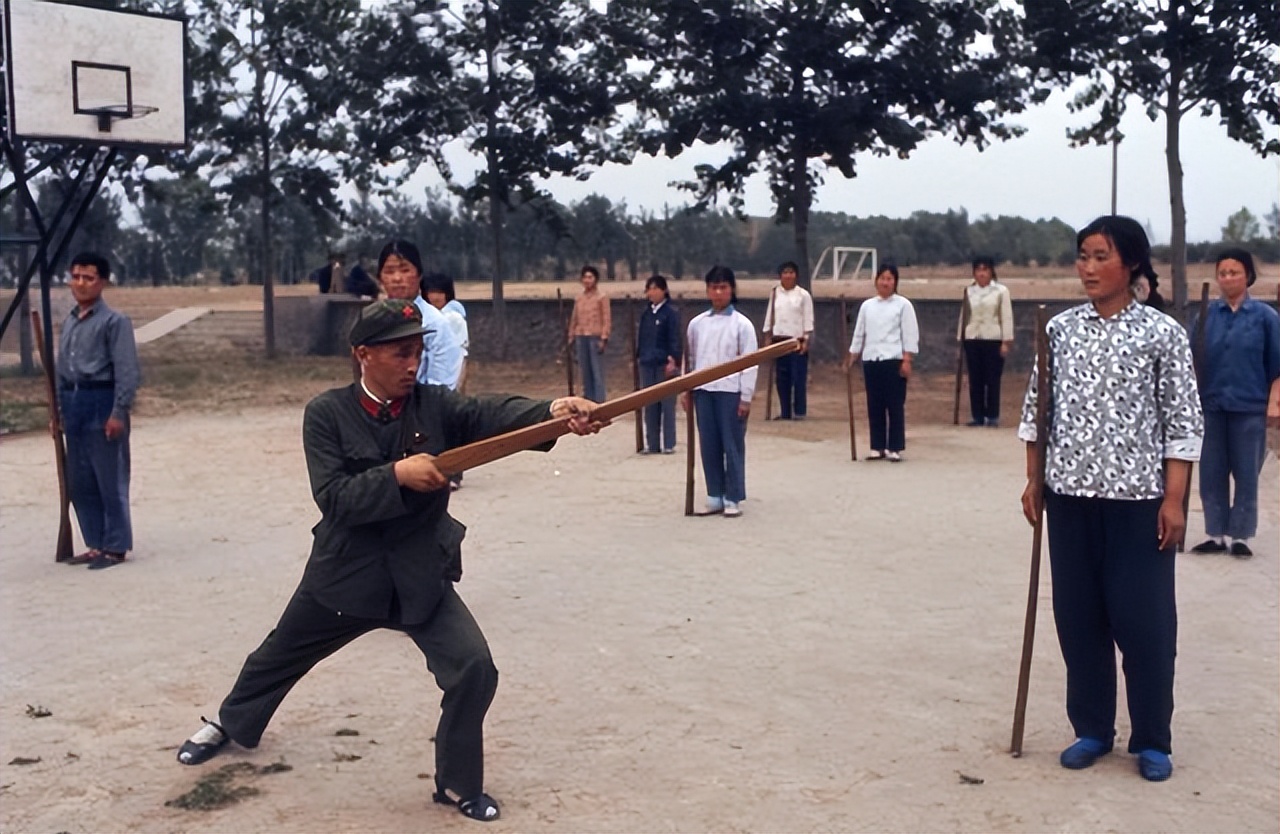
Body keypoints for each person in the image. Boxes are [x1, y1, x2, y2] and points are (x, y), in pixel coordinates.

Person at [175, 300, 603, 823]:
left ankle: (458, 785)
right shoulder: (326, 413)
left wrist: (552, 413)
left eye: (418, 352)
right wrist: (397, 475)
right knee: (277, 656)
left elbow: (489, 415)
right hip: (345, 575)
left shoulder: (434, 405)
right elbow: (334, 498)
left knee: (474, 667)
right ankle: (228, 724)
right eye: (401, 353)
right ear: (363, 355)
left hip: (419, 575)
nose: (412, 364)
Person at [1018, 215, 1202, 783]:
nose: (1088, 268)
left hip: (1138, 503)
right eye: (1082, 256)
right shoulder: (1060, 330)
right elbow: (1037, 411)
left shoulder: (1161, 333)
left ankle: (1152, 738)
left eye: (1100, 256)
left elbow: (1182, 423)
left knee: (1144, 625)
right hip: (1069, 498)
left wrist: (1175, 501)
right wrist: (1033, 478)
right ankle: (1092, 728)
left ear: (1131, 264)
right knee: (1078, 619)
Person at [1189, 248, 1280, 559]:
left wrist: (1273, 402)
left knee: (1245, 473)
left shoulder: (1266, 318)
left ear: (1248, 277)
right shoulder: (1205, 315)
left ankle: (1239, 534)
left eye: (1234, 272)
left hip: (1250, 407)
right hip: (1212, 406)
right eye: (1223, 273)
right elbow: (1192, 360)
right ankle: (1215, 533)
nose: (1228, 278)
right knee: (1211, 472)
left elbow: (1276, 364)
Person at [57, 252, 140, 570]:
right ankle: (95, 542)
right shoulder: (70, 321)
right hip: (74, 403)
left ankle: (116, 545)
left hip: (102, 401)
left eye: (88, 278)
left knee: (109, 477)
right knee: (80, 480)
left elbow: (127, 370)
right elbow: (63, 368)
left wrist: (119, 411)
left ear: (102, 282)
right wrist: (60, 411)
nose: (80, 283)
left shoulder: (114, 322)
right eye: (75, 276)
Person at [683, 266, 758, 517]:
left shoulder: (742, 325)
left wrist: (745, 397)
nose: (718, 292)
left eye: (723, 287)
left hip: (731, 391)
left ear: (731, 289)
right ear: (707, 290)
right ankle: (714, 493)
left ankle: (733, 495)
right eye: (713, 287)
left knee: (732, 444)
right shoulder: (696, 324)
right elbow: (690, 359)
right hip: (704, 391)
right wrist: (686, 389)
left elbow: (750, 363)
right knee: (709, 444)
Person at [844, 264, 918, 462]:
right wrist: (852, 356)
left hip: (893, 359)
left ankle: (894, 447)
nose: (885, 282)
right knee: (874, 404)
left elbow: (910, 334)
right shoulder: (867, 306)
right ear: (876, 281)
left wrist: (907, 359)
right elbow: (859, 333)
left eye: (889, 279)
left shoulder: (903, 305)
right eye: (882, 278)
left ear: (895, 282)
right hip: (872, 360)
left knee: (894, 404)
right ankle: (877, 446)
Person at [372, 240, 464, 390]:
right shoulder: (374, 321)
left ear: (419, 275)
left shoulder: (436, 324)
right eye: (389, 271)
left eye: (405, 270)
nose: (397, 278)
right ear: (380, 279)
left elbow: (442, 386)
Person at [422, 271, 471, 489]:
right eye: (431, 291)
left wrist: (459, 382)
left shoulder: (453, 318)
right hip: (429, 379)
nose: (435, 296)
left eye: (439, 291)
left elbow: (461, 353)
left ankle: (454, 472)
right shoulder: (426, 316)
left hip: (450, 378)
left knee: (451, 425)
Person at [957, 255, 1014, 427]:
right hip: (973, 338)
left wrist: (1006, 340)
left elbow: (1007, 316)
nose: (982, 274)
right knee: (975, 379)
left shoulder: (1000, 291)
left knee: (992, 378)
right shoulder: (969, 291)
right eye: (978, 270)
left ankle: (993, 415)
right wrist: (960, 339)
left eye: (985, 270)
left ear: (991, 272)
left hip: (993, 338)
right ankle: (978, 415)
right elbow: (964, 315)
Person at [762, 260, 815, 420]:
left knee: (798, 376)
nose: (788, 275)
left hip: (796, 339)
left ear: (796, 275)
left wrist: (806, 338)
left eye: (791, 272)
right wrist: (767, 336)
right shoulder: (774, 293)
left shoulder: (803, 295)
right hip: (779, 338)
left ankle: (799, 411)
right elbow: (770, 315)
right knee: (782, 378)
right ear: (780, 275)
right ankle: (785, 412)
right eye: (785, 272)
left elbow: (808, 317)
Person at [635, 274, 682, 454]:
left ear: (664, 290)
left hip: (664, 363)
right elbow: (642, 338)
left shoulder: (671, 313)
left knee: (667, 404)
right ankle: (652, 443)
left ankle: (668, 443)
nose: (652, 292)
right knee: (650, 404)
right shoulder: (646, 314)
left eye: (656, 288)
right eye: (649, 289)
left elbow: (675, 338)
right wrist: (639, 356)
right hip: (647, 362)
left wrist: (673, 358)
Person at [567, 265, 611, 403]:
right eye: (585, 277)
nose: (587, 280)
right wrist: (571, 335)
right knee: (585, 372)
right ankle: (588, 401)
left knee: (597, 372)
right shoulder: (579, 298)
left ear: (596, 280)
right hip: (581, 337)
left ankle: (599, 403)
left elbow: (606, 318)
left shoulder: (602, 297)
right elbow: (574, 317)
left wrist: (604, 338)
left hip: (595, 337)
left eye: (590, 277)